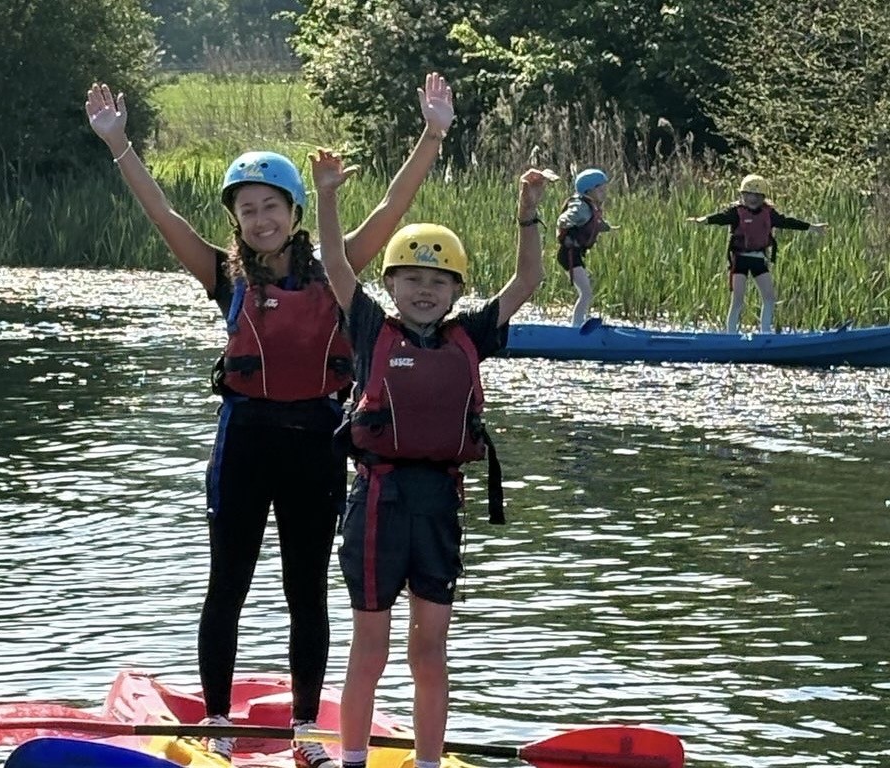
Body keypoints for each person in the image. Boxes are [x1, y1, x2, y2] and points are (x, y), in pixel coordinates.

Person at [84, 73, 456, 767]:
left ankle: (307, 729)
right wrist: (118, 143)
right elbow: (164, 214)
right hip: (246, 444)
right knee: (227, 584)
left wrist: (432, 134)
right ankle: (219, 719)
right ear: (238, 220)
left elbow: (391, 205)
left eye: (271, 207)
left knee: (306, 590)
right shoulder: (224, 276)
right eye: (248, 210)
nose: (260, 220)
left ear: (293, 211)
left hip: (317, 443)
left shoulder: (335, 271)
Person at [312, 148, 549, 768]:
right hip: (378, 503)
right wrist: (328, 195)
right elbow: (335, 263)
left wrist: (527, 213)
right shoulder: (371, 329)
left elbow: (527, 281)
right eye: (412, 279)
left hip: (439, 503)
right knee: (371, 647)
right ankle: (353, 760)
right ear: (390, 285)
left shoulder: (470, 336)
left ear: (456, 292)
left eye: (438, 281)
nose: (425, 290)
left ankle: (427, 763)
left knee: (431, 649)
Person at [687, 174, 827, 334]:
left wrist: (812, 227)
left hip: (759, 259)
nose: (752, 199)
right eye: (748, 195)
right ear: (743, 195)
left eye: (757, 196)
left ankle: (765, 334)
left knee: (769, 298)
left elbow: (787, 221)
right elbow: (720, 218)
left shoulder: (769, 213)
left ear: (763, 197)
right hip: (739, 260)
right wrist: (703, 220)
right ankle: (731, 336)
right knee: (737, 300)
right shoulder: (736, 213)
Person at [555, 168, 614, 327]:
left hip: (574, 254)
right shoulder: (580, 206)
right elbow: (565, 219)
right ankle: (576, 327)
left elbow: (592, 223)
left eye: (604, 189)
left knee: (587, 289)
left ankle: (579, 323)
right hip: (569, 254)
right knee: (586, 293)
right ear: (589, 191)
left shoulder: (588, 206)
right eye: (600, 189)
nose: (604, 192)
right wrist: (564, 223)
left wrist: (607, 227)